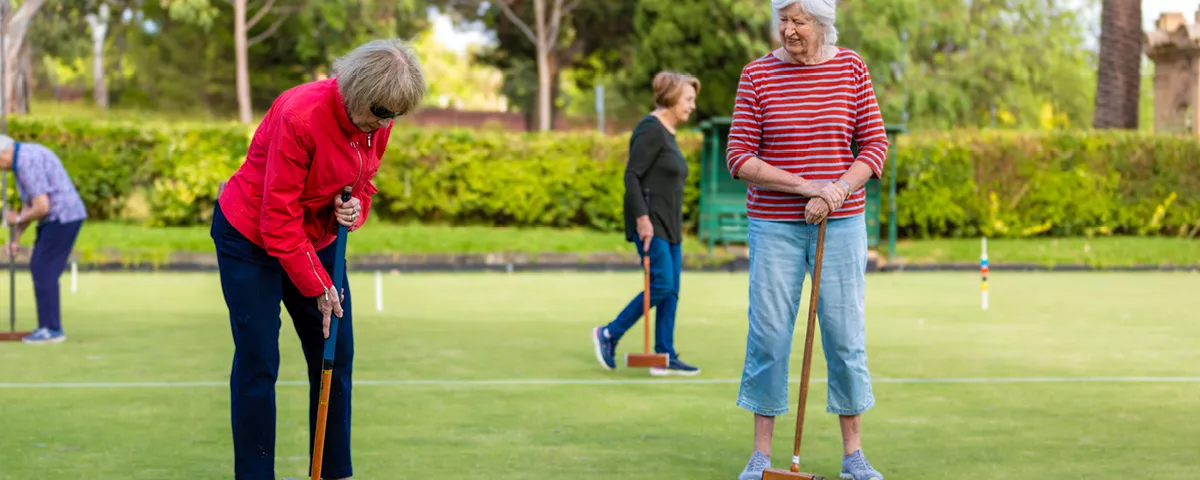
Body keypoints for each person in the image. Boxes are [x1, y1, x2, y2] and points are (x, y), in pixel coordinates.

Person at [210, 39, 425, 480]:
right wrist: (319, 287)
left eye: (394, 117)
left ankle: (332, 472)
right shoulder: (300, 114)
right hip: (252, 235)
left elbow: (361, 184)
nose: (386, 125)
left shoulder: (377, 120)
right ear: (358, 94)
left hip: (316, 234)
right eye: (382, 114)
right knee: (259, 358)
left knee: (336, 352)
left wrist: (355, 208)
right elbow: (277, 218)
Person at [727, 1, 889, 479]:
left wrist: (837, 190)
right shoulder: (756, 75)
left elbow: (875, 146)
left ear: (823, 24)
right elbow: (739, 156)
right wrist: (807, 187)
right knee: (769, 336)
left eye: (799, 21)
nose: (788, 29)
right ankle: (760, 458)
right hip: (774, 225)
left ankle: (853, 457)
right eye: (784, 19)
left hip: (840, 225)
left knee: (844, 337)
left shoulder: (851, 67)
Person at [591, 71, 702, 377]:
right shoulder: (649, 129)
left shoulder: (669, 132)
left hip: (671, 226)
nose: (693, 105)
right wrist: (642, 220)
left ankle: (663, 355)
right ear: (671, 98)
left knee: (672, 289)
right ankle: (609, 333)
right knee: (662, 284)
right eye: (688, 99)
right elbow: (632, 176)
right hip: (651, 225)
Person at [0, 135, 87, 344]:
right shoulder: (22, 158)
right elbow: (29, 205)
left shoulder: (27, 162)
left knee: (43, 268)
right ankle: (48, 326)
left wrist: (17, 219)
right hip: (60, 217)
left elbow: (42, 206)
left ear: (4, 153)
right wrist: (16, 237)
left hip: (63, 217)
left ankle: (52, 330)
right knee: (42, 267)